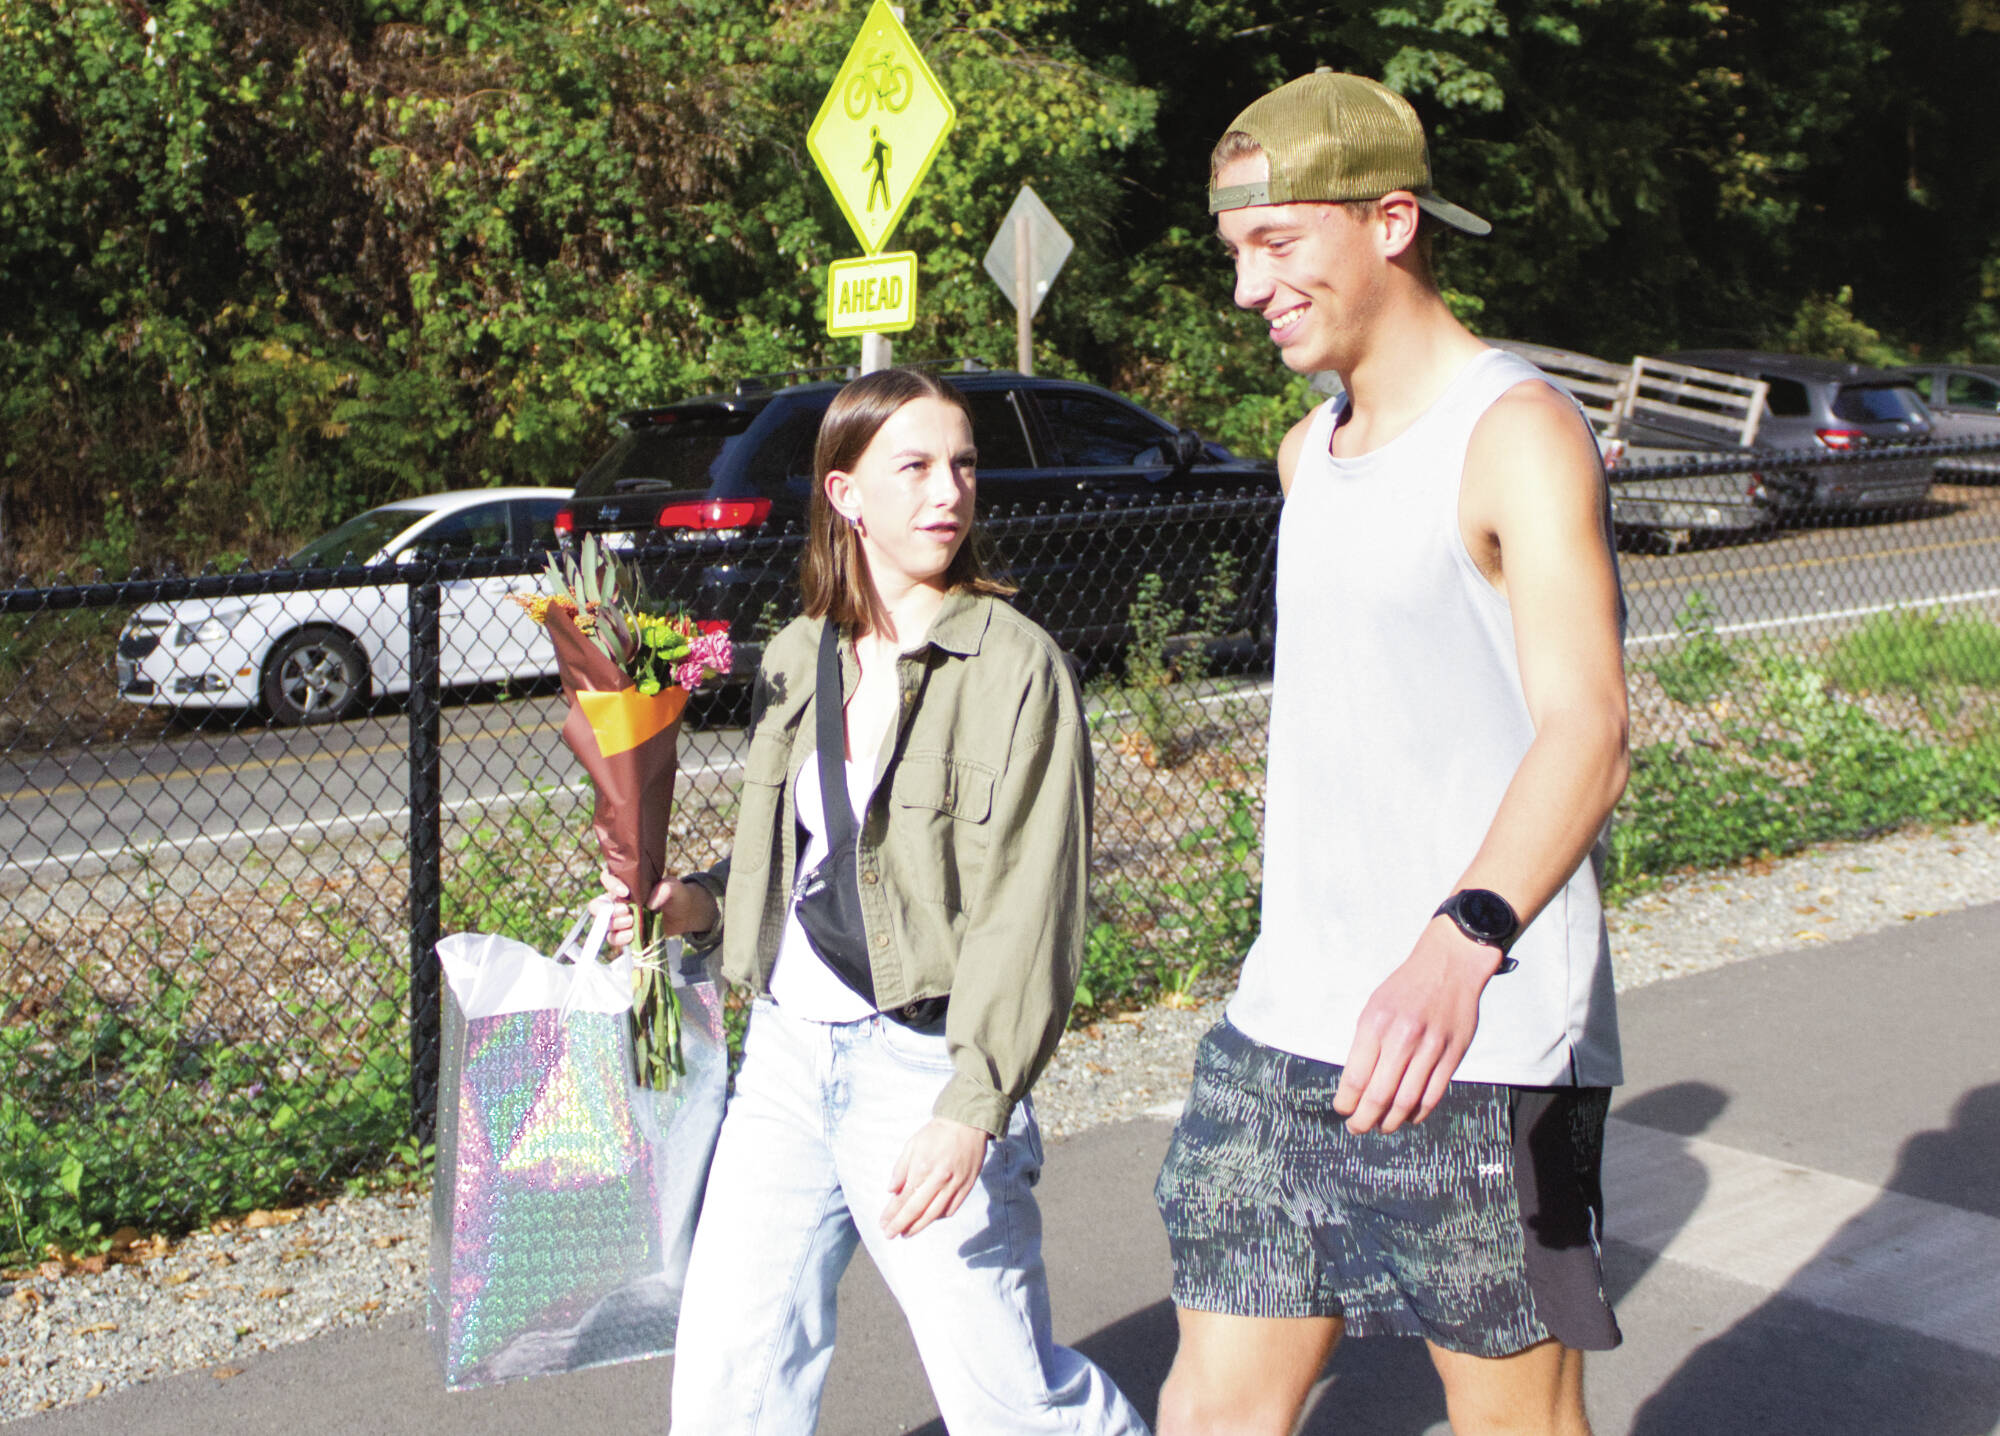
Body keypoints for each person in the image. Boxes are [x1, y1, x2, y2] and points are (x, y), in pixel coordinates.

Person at [1152, 71, 1630, 1436]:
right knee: (1212, 1413)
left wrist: (1455, 942)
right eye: (1237, 253)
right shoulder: (1310, 454)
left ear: (1392, 221)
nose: (1250, 288)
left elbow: (1589, 733)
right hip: (1285, 1028)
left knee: (1515, 1425)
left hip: (1484, 1040)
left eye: (1279, 244)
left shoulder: (1516, 435)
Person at [602, 366, 1150, 1436]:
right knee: (731, 1378)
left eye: (961, 464)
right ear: (845, 494)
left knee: (1007, 1399)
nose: (946, 490)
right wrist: (690, 906)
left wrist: (972, 1105)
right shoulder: (798, 654)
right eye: (913, 467)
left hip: (924, 1065)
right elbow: (805, 858)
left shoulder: (1013, 668)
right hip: (785, 1060)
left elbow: (1029, 908)